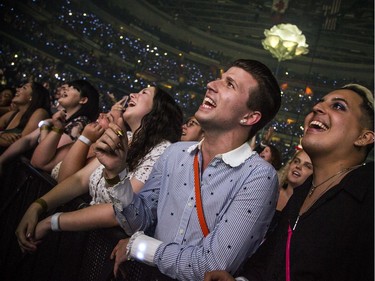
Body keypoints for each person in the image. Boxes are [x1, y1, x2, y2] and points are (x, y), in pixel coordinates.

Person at [24, 59, 282, 281]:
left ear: (249, 118)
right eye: (220, 78)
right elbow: (140, 218)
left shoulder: (258, 176)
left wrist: (139, 245)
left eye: (229, 84)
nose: (211, 84)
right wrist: (117, 175)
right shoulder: (176, 153)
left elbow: (210, 267)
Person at [204, 83, 374, 281]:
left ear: (364, 137)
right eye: (319, 103)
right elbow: (268, 264)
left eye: (338, 106)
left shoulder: (368, 192)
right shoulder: (301, 195)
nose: (316, 108)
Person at [16, 84, 183, 242]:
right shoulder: (128, 139)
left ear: (158, 110)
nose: (133, 94)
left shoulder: (162, 152)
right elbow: (80, 179)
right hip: (80, 236)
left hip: (101, 251)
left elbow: (119, 211)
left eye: (144, 93)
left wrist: (52, 221)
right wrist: (38, 205)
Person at [30, 79, 100, 172]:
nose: (66, 89)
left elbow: (45, 155)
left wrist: (45, 126)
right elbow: (27, 140)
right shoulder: (64, 120)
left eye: (73, 88)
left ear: (83, 100)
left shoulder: (79, 124)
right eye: (68, 87)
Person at [0, 81, 51, 152]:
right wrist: (2, 135)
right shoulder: (12, 114)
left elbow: (21, 143)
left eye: (24, 88)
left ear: (31, 97)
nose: (18, 89)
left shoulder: (40, 113)